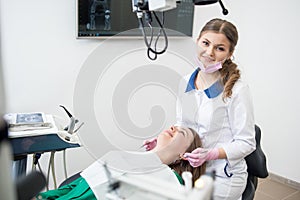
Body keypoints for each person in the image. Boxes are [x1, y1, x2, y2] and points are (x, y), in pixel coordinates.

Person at [145, 18, 256, 200]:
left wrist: (212, 154)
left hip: (222, 176)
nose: (209, 52)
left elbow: (247, 142)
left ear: (230, 53)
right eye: (205, 43)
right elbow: (183, 126)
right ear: (197, 41)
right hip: (192, 170)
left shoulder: (236, 90)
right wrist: (164, 142)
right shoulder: (185, 81)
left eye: (220, 48)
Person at [36, 126, 206, 200]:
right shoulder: (123, 157)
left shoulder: (173, 182)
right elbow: (74, 187)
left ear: (184, 154)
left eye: (181, 133)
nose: (173, 128)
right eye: (174, 126)